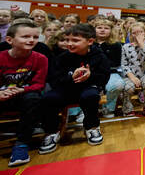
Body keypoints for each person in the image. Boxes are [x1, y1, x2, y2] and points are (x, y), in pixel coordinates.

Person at [39, 24, 110, 154]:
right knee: (49, 98)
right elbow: (54, 79)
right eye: (67, 40)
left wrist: (90, 76)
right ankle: (52, 132)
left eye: (75, 40)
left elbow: (104, 78)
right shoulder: (62, 57)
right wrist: (71, 76)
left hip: (88, 88)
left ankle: (92, 127)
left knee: (91, 96)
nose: (69, 43)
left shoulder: (99, 56)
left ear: (90, 41)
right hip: (66, 89)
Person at [0, 20, 48, 167]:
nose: (31, 40)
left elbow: (39, 84)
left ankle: (21, 145)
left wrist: (22, 90)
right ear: (9, 40)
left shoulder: (40, 59)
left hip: (24, 96)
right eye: (25, 36)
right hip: (2, 96)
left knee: (33, 98)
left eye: (35, 37)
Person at [121, 22, 145, 116]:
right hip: (131, 76)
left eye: (140, 32)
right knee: (128, 87)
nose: (137, 35)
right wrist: (132, 77)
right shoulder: (125, 47)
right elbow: (124, 65)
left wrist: (141, 43)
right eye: (134, 33)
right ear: (130, 34)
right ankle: (127, 108)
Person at [94, 19, 124, 118]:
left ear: (111, 30)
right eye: (99, 28)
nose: (102, 30)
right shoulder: (89, 43)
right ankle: (81, 111)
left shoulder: (116, 45)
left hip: (110, 72)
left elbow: (115, 62)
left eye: (106, 28)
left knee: (117, 84)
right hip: (91, 72)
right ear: (94, 29)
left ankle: (108, 108)